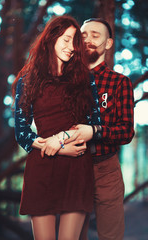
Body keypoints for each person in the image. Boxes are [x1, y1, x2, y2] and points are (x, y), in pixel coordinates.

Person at [12, 15, 100, 240]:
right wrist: (60, 148)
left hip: (77, 168)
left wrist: (62, 137)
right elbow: (22, 132)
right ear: (51, 38)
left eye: (75, 43)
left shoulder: (85, 78)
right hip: (42, 165)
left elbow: (94, 123)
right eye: (66, 40)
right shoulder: (27, 80)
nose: (71, 48)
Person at [64, 18, 134, 240]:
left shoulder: (120, 83)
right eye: (83, 36)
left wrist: (95, 132)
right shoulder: (64, 82)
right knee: (73, 236)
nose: (88, 40)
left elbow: (126, 131)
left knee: (111, 235)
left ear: (108, 43)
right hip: (72, 168)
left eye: (95, 35)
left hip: (106, 170)